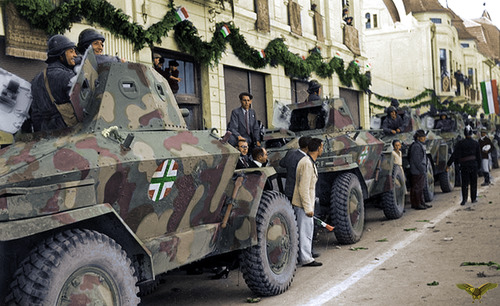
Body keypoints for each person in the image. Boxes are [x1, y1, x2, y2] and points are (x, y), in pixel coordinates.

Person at [30, 35, 78, 132]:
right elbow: (82, 106)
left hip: (45, 134)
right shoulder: (67, 76)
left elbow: (35, 113)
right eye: (71, 51)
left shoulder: (36, 80)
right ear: (61, 55)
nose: (75, 55)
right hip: (68, 133)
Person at [292, 137, 323, 267]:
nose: (323, 149)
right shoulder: (306, 163)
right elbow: (303, 187)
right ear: (318, 148)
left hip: (306, 204)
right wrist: (308, 208)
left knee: (307, 230)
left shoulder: (309, 161)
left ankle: (306, 256)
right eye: (322, 147)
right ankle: (306, 259)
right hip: (303, 205)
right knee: (304, 231)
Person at [446, 126, 481, 205]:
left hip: (464, 166)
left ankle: (464, 200)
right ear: (472, 133)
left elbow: (454, 155)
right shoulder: (475, 143)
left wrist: (448, 164)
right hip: (473, 165)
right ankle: (473, 198)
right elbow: (479, 156)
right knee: (473, 183)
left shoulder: (460, 143)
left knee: (464, 183)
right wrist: (479, 167)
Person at [408, 130, 431, 210]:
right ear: (418, 138)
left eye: (424, 136)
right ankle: (417, 204)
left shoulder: (418, 145)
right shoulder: (416, 146)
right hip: (417, 170)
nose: (424, 138)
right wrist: (422, 169)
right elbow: (417, 160)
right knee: (418, 187)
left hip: (418, 169)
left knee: (419, 187)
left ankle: (421, 203)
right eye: (422, 137)